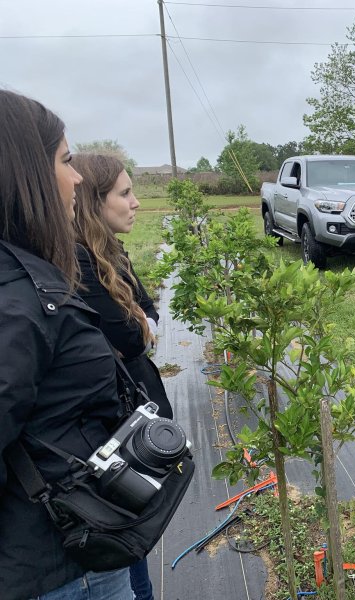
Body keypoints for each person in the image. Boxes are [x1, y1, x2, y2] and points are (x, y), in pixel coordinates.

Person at [0, 90, 134, 598]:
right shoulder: (16, 299)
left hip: (74, 545)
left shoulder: (28, 276)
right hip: (56, 566)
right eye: (64, 160)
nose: (76, 176)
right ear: (23, 173)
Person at [72, 153, 173, 600]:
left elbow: (147, 314)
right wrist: (139, 325)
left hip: (133, 404)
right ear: (95, 201)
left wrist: (140, 323)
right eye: (125, 193)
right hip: (115, 421)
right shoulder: (81, 262)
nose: (136, 203)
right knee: (126, 534)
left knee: (134, 539)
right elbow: (134, 338)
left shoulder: (111, 252)